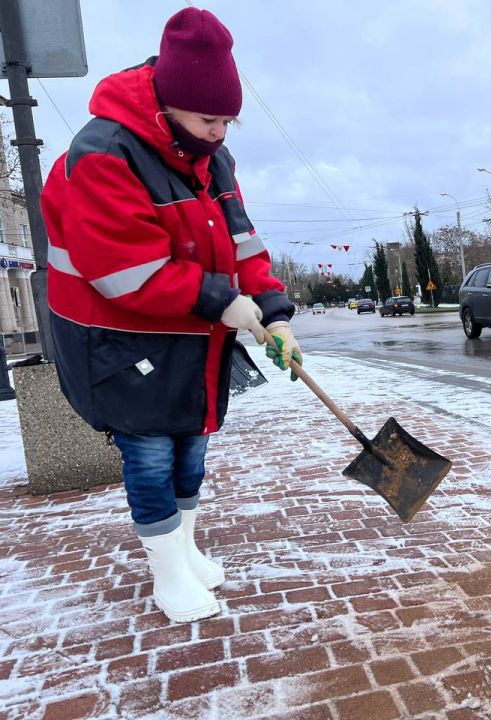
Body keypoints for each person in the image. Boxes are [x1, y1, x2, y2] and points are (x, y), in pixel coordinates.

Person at [40, 8, 302, 623]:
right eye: (209, 119)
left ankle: (184, 551)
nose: (220, 132)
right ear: (169, 104)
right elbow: (124, 270)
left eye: (229, 121)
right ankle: (167, 574)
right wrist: (224, 302)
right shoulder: (104, 153)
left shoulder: (214, 159)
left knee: (192, 447)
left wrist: (274, 312)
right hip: (117, 336)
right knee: (151, 454)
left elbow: (243, 244)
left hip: (189, 332)